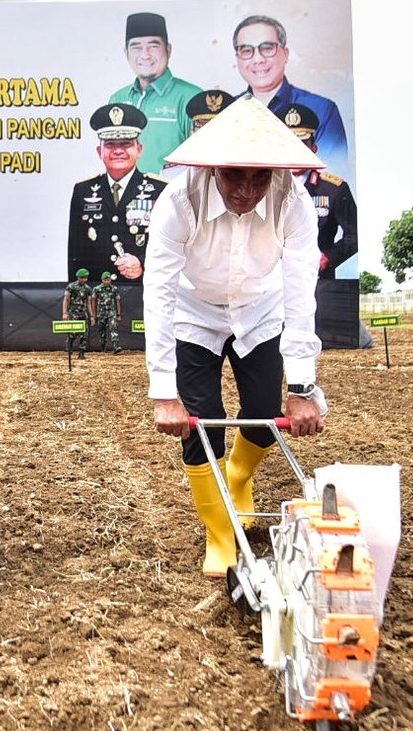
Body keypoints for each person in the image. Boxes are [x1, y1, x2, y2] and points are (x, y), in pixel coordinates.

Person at [143, 98, 326, 577]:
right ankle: (220, 534)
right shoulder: (178, 201)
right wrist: (164, 393)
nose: (246, 190)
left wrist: (302, 387)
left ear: (275, 173)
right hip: (193, 311)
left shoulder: (295, 202)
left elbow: (301, 290)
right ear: (212, 169)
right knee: (200, 421)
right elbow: (158, 294)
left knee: (264, 413)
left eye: (259, 177)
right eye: (233, 177)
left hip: (260, 307)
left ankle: (239, 477)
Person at [232, 14, 349, 171]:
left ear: (285, 54)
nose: (258, 59)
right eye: (246, 50)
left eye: (267, 48)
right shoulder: (227, 112)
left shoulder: (322, 110)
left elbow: (332, 183)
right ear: (237, 59)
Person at [67, 103, 168, 283]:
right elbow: (75, 253)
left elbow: (169, 246)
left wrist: (143, 264)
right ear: (100, 151)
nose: (118, 150)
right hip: (97, 296)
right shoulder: (83, 191)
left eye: (126, 144)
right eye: (110, 144)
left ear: (139, 150)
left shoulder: (160, 190)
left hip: (142, 294)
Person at [108, 12, 204, 175]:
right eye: (136, 47)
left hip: (173, 198)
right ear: (126, 52)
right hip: (126, 199)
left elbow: (203, 164)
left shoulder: (192, 98)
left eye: (153, 46)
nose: (145, 55)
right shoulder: (118, 99)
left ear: (168, 49)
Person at [284, 104, 358, 279]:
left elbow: (356, 235)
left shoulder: (334, 189)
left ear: (313, 149)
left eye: (302, 145)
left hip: (318, 285)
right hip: (271, 288)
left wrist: (328, 258)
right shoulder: (264, 187)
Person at [61, 268, 95, 359]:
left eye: (86, 278)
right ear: (78, 278)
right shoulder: (71, 286)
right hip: (73, 313)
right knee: (72, 333)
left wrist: (91, 316)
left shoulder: (88, 288)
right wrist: (65, 312)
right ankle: (69, 347)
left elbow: (88, 303)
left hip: (83, 313)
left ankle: (81, 354)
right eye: (83, 278)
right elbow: (66, 299)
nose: (85, 280)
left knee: (84, 334)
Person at [93, 271, 123, 354]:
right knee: (101, 330)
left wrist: (118, 314)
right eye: (105, 280)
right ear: (102, 280)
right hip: (101, 313)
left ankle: (116, 347)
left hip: (111, 312)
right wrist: (94, 315)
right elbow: (94, 302)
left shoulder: (114, 289)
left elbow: (117, 301)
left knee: (114, 328)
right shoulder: (97, 289)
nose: (107, 281)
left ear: (111, 280)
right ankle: (103, 348)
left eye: (108, 280)